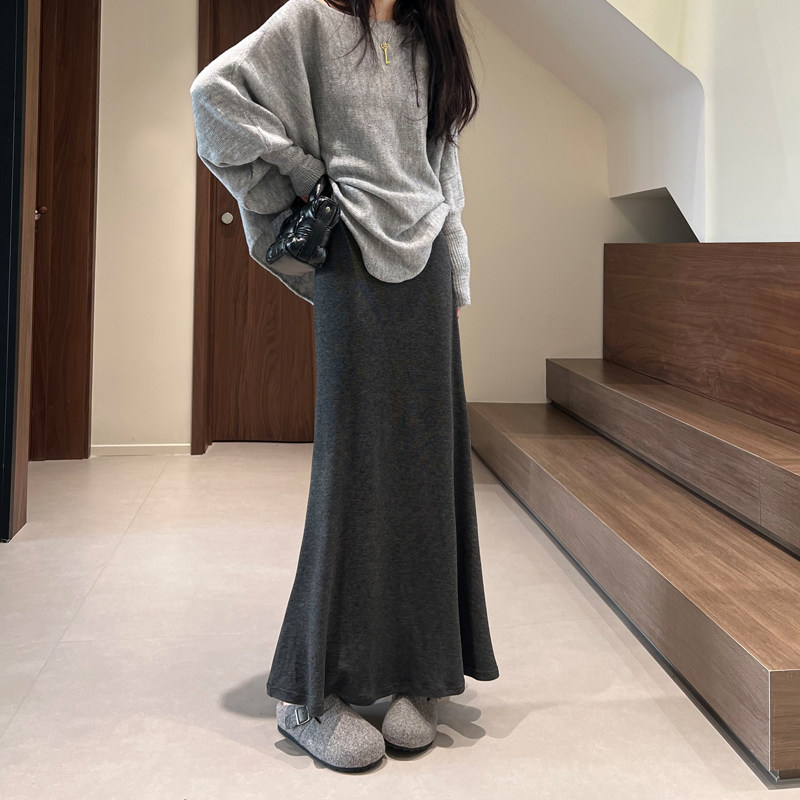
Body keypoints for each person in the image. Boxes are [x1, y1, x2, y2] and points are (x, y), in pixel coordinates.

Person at [190, 0, 499, 773]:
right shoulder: (308, 23)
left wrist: (457, 275)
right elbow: (212, 97)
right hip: (351, 258)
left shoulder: (429, 40)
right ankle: (308, 693)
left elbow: (443, 168)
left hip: (425, 267)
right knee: (352, 470)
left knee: (428, 472)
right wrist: (304, 172)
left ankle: (421, 672)